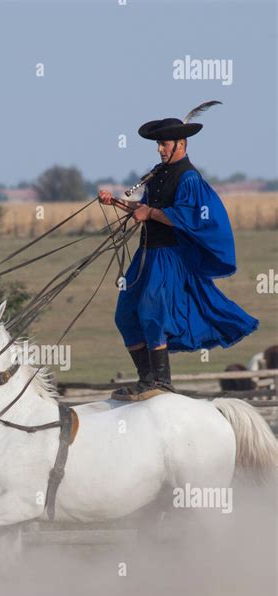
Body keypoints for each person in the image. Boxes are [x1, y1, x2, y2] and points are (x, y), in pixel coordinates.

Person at [99, 113, 259, 401]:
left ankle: (161, 381)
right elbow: (144, 207)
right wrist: (117, 202)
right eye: (158, 144)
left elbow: (189, 216)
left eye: (164, 144)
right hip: (145, 255)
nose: (160, 149)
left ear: (181, 144)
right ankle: (145, 379)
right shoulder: (158, 174)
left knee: (152, 311)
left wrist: (151, 213)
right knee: (125, 314)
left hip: (169, 257)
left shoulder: (189, 178)